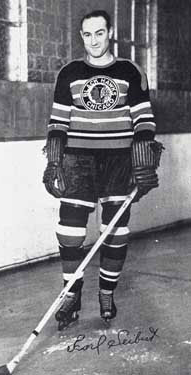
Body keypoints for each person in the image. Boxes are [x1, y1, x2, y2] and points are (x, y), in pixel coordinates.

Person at [43, 9, 162, 331]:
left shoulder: (129, 71)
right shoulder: (69, 72)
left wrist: (143, 151)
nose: (93, 40)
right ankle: (71, 294)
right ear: (81, 36)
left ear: (110, 33)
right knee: (70, 232)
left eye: (99, 33)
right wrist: (54, 159)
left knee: (115, 232)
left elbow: (144, 119)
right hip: (78, 158)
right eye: (86, 34)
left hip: (119, 160)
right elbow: (58, 121)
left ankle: (107, 294)